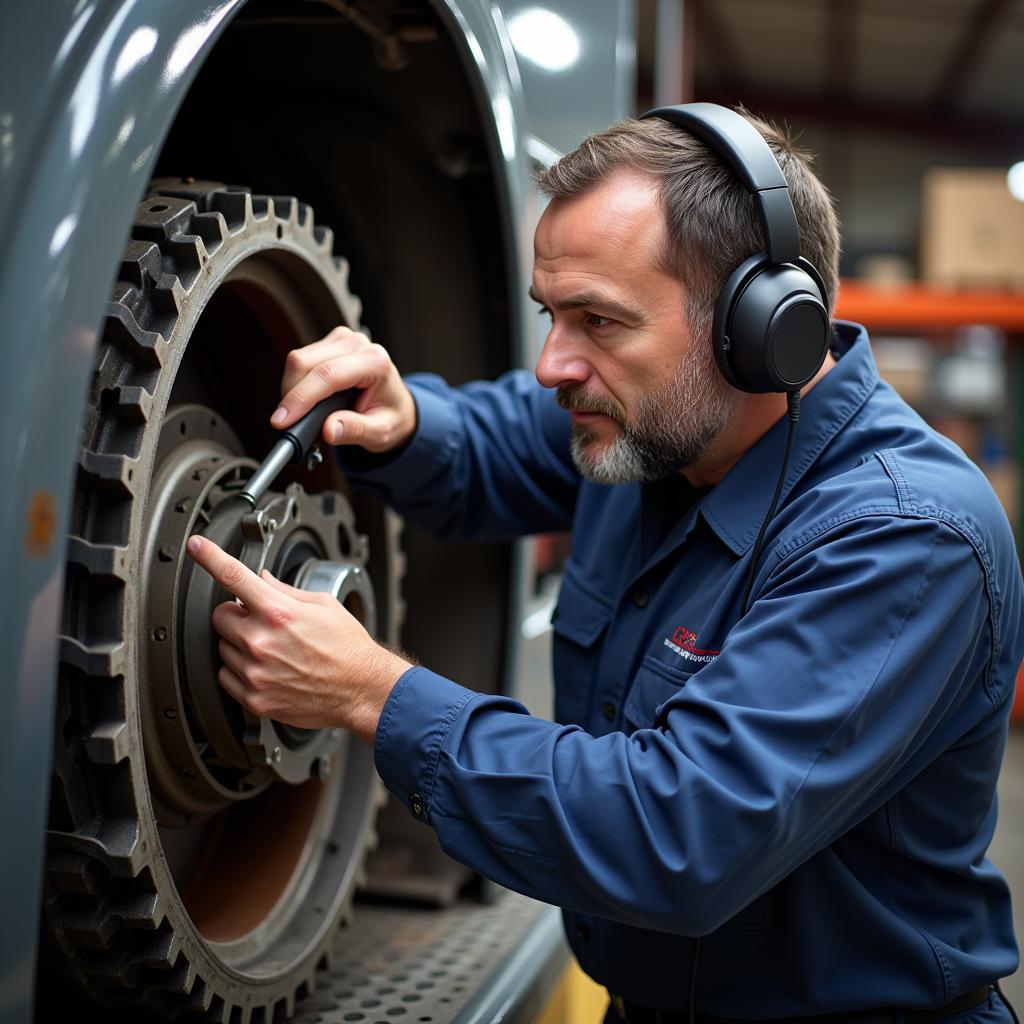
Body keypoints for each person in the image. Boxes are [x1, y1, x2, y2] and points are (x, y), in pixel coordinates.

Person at [187, 106, 1023, 1022]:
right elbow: (498, 442)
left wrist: (371, 694)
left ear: (759, 327)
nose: (553, 365)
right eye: (553, 315)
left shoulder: (904, 539)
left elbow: (676, 836)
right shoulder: (658, 420)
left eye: (598, 320)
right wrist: (404, 419)